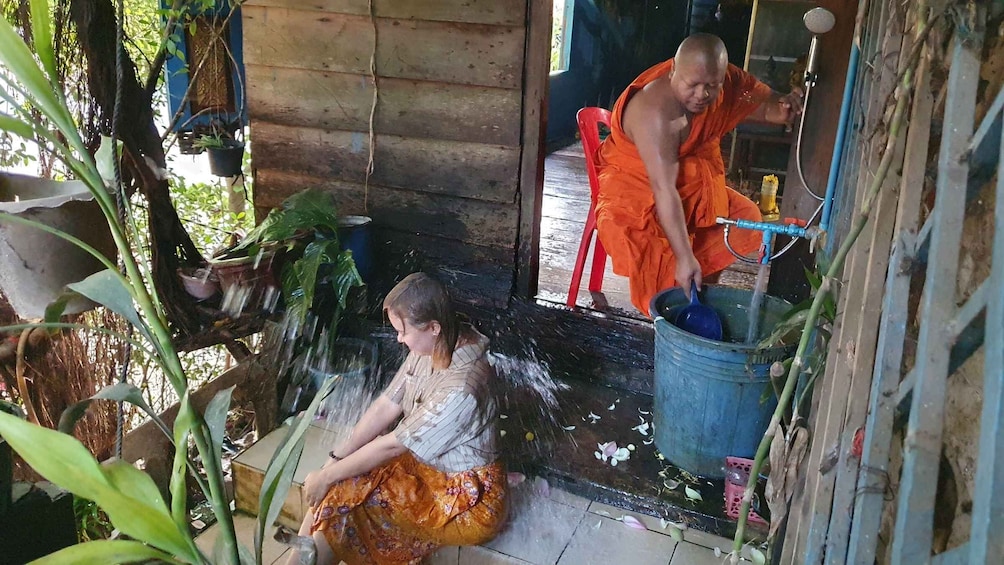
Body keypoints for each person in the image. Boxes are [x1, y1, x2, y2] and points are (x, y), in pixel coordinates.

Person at [288, 272, 507, 565]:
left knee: (344, 496)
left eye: (403, 332)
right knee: (340, 483)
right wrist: (335, 458)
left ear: (433, 327)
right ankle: (299, 557)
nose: (398, 339)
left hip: (468, 500)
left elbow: (393, 446)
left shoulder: (462, 388)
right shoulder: (435, 343)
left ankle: (303, 559)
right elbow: (386, 405)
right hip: (428, 468)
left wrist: (327, 475)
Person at [595, 33, 803, 316]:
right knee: (664, 268)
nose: (702, 95)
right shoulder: (657, 111)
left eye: (711, 86)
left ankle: (700, 292)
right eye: (692, 85)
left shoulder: (726, 83)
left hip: (689, 184)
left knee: (745, 219)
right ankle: (672, 314)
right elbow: (663, 189)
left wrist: (785, 106)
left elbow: (760, 103)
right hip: (639, 196)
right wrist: (683, 257)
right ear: (672, 72)